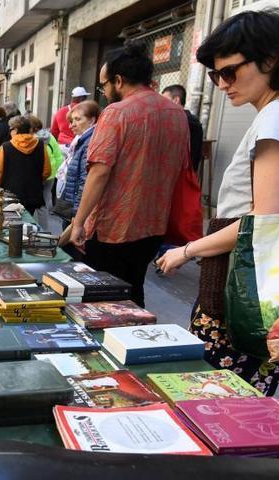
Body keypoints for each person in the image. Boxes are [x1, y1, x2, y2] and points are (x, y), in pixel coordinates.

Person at [156, 9, 279, 396]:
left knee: (214, 393)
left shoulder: (278, 118)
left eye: (229, 71)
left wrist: (187, 250)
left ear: (270, 61)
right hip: (267, 276)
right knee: (242, 392)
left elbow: (263, 218)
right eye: (215, 75)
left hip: (243, 278)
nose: (221, 84)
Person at [69, 41, 190, 309]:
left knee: (102, 299)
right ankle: (136, 339)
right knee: (134, 288)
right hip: (154, 224)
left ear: (119, 81)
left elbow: (99, 173)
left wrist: (79, 222)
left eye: (104, 85)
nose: (104, 91)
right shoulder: (176, 113)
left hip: (115, 226)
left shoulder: (116, 112)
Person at [0, 116, 51, 216]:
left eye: (10, 129)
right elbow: (47, 171)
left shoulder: (5, 147)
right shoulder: (40, 145)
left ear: (15, 130)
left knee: (12, 222)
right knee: (28, 219)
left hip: (11, 194)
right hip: (33, 193)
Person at [58, 101, 100, 228]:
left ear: (92, 120)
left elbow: (84, 180)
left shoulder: (89, 142)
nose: (71, 126)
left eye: (77, 119)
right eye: (71, 121)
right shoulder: (80, 140)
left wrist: (77, 214)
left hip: (77, 210)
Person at [28, 115, 64, 230]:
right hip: (51, 175)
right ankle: (45, 230)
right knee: (44, 202)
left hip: (38, 175)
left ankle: (33, 228)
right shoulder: (50, 136)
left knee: (34, 203)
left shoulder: (32, 139)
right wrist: (55, 173)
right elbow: (58, 156)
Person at [162, 84, 204, 172]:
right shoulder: (192, 120)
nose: (162, 104)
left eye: (164, 101)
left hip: (176, 175)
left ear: (176, 100)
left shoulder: (178, 121)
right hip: (188, 175)